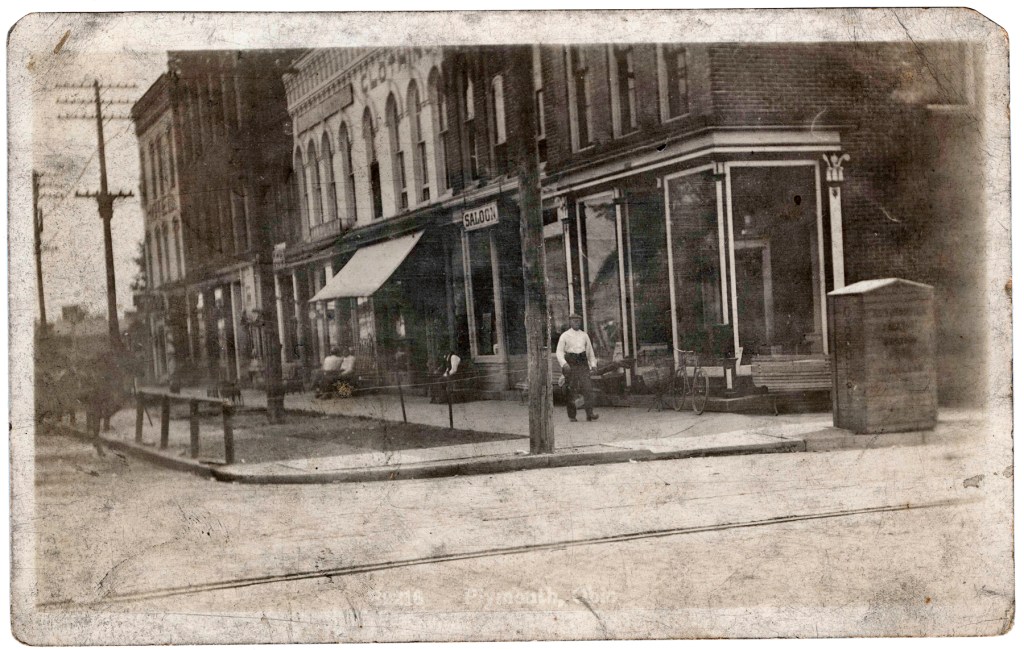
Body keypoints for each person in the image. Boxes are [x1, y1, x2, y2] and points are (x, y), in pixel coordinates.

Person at [555, 313, 599, 422]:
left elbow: (590, 352)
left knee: (587, 388)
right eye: (574, 321)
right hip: (571, 363)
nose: (577, 323)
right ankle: (572, 416)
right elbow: (559, 352)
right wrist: (564, 364)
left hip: (582, 363)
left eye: (578, 321)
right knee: (571, 390)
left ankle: (590, 413)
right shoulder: (565, 336)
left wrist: (593, 364)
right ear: (570, 322)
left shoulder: (584, 335)